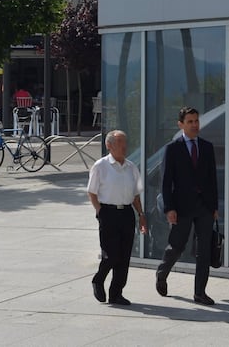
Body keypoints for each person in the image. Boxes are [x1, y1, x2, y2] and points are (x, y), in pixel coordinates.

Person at [156, 106, 218, 305]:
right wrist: (169, 208)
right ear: (181, 124)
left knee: (204, 251)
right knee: (177, 246)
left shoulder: (207, 147)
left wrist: (214, 206)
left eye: (196, 121)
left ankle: (200, 292)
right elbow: (166, 182)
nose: (194, 125)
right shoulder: (173, 149)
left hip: (205, 207)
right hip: (181, 207)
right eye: (190, 122)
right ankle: (162, 273)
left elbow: (212, 179)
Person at [87, 130, 147, 305]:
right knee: (111, 255)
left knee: (124, 255)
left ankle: (116, 293)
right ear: (109, 145)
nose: (124, 146)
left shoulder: (132, 167)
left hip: (127, 213)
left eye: (125, 142)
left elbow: (136, 195)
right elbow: (92, 192)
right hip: (108, 213)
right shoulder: (100, 166)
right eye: (119, 142)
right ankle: (98, 280)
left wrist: (141, 215)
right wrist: (100, 212)